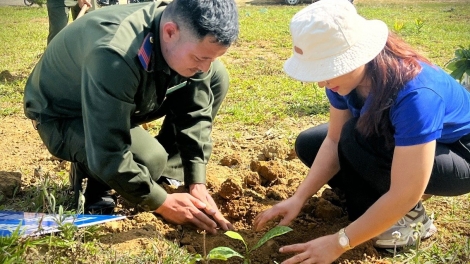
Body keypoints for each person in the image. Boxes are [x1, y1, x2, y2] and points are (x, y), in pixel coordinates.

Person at [253, 0, 470, 263]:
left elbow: (407, 189)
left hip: (459, 155)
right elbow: (333, 141)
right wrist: (298, 198)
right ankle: (377, 208)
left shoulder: (416, 93)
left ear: (356, 56)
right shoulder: (342, 81)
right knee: (312, 143)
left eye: (327, 69)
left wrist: (340, 241)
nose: (322, 81)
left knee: (357, 137)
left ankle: (412, 219)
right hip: (409, 144)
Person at [24, 0, 239, 235]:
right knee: (150, 159)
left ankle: (167, 174)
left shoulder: (175, 34)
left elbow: (194, 112)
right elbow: (110, 153)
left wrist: (196, 180)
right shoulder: (115, 52)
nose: (204, 67)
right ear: (170, 32)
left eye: (211, 57)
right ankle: (92, 176)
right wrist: (162, 203)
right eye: (200, 58)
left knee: (217, 78)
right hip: (65, 115)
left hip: (119, 97)